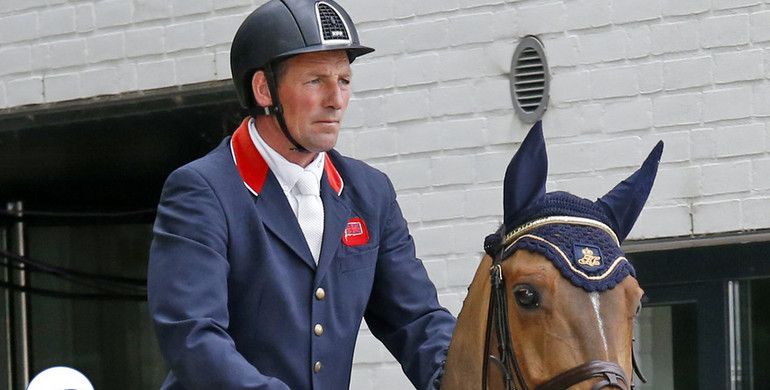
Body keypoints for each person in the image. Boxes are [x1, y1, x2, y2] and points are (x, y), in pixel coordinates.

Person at [146, 1, 457, 389]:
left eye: (343, 80)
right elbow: (192, 336)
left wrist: (463, 377)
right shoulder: (201, 191)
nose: (336, 99)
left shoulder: (370, 192)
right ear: (264, 89)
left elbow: (417, 320)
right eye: (315, 81)